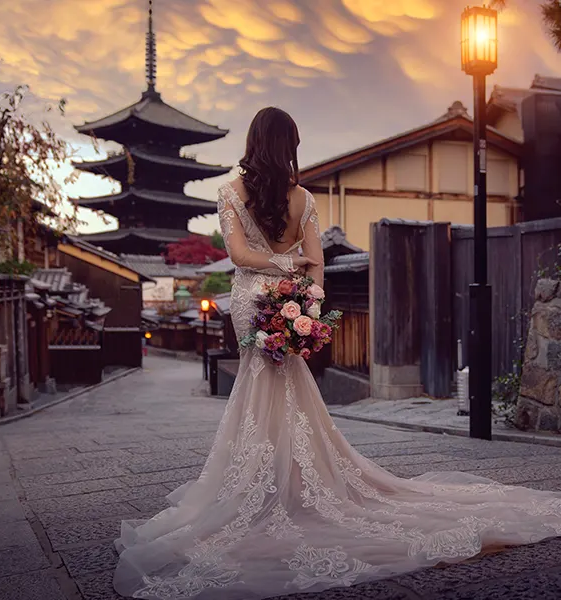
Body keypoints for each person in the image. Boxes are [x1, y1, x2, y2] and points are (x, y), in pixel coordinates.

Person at [113, 107, 561, 600]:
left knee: (262, 384)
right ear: (289, 146)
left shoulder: (228, 194)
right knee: (283, 384)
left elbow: (240, 257)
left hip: (250, 299)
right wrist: (308, 302)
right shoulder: (302, 197)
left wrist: (295, 286)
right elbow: (316, 264)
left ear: (253, 142)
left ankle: (269, 484)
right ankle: (290, 481)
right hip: (290, 296)